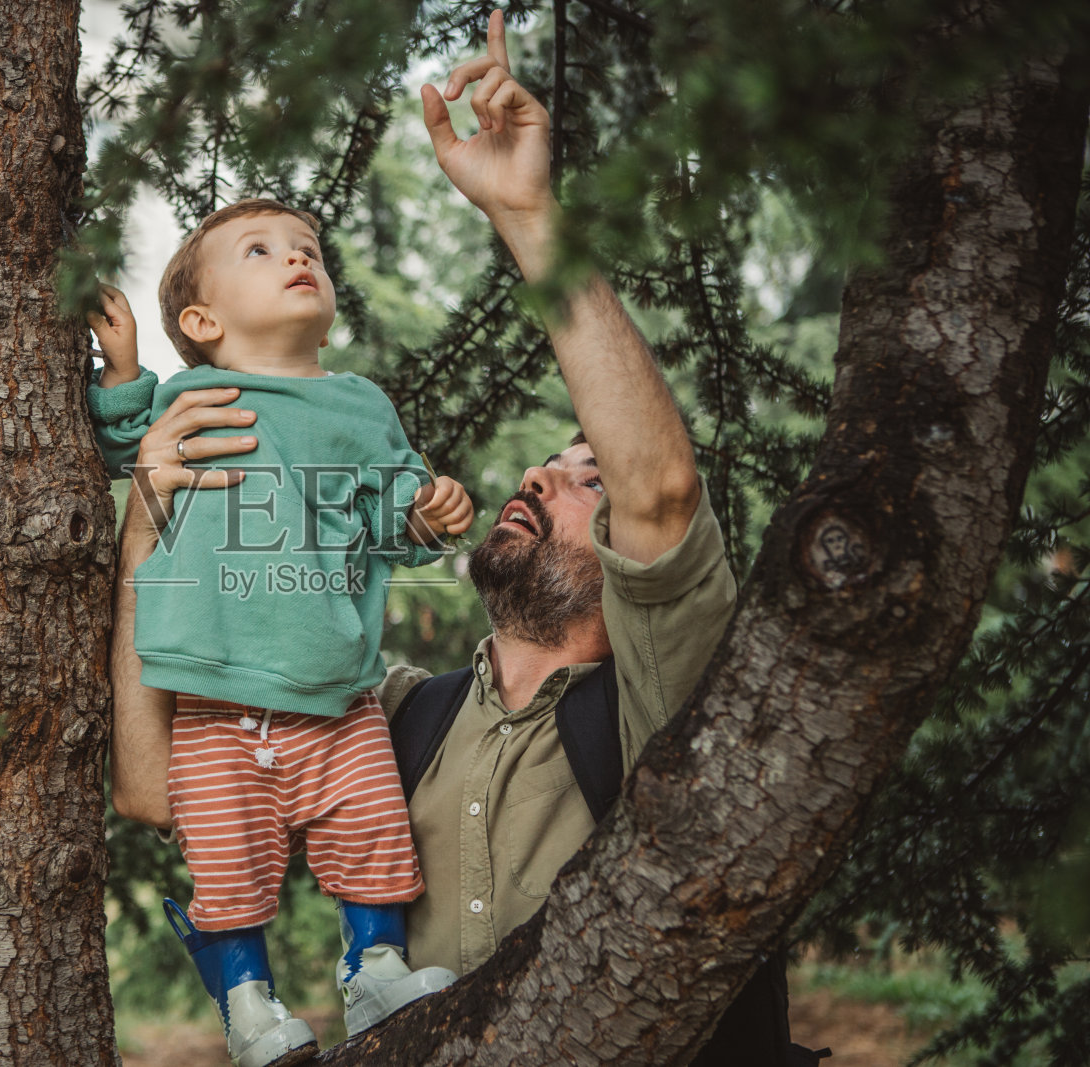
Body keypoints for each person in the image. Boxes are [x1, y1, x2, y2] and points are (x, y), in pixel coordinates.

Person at [103, 11, 816, 1063]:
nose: (538, 472)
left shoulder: (676, 708)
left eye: (585, 477)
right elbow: (155, 785)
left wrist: (526, 211)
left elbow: (658, 484)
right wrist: (151, 519)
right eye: (543, 461)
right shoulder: (397, 715)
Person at [87, 200, 473, 1067]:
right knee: (229, 865)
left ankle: (375, 967)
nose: (299, 259)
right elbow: (125, 444)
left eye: (310, 250)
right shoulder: (193, 393)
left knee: (374, 832)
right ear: (202, 320)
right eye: (261, 251)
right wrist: (121, 371)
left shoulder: (361, 406)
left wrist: (429, 511)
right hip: (212, 694)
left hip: (337, 689)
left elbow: (393, 519)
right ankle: (248, 1006)